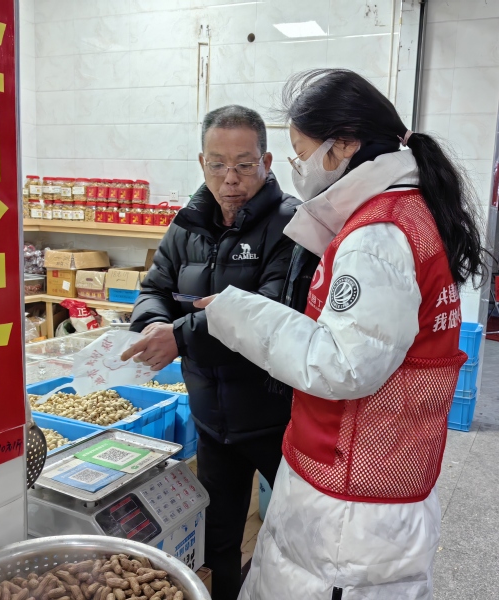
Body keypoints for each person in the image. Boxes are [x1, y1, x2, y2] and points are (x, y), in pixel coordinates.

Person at [191, 70, 486, 599]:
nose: (299, 167)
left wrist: (239, 314)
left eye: (302, 153)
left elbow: (345, 364)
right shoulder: (404, 212)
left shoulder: (378, 234)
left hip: (351, 500)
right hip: (373, 473)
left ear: (344, 145)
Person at [121, 105, 299, 600]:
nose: (230, 178)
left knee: (295, 534)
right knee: (218, 537)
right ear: (202, 162)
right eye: (218, 164)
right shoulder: (188, 224)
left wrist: (179, 337)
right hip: (211, 419)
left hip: (277, 418)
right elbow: (154, 287)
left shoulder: (292, 225)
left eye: (244, 164)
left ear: (267, 162)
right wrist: (154, 324)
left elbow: (269, 312)